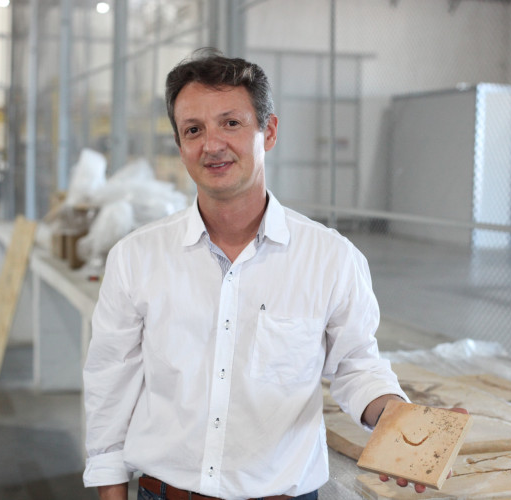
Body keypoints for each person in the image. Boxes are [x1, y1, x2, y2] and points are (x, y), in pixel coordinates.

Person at [83, 48, 437, 500]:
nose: (212, 144)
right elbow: (109, 385)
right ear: (180, 145)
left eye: (231, 123)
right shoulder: (136, 257)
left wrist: (392, 416)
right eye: (194, 130)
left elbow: (355, 364)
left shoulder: (331, 259)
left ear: (267, 131)